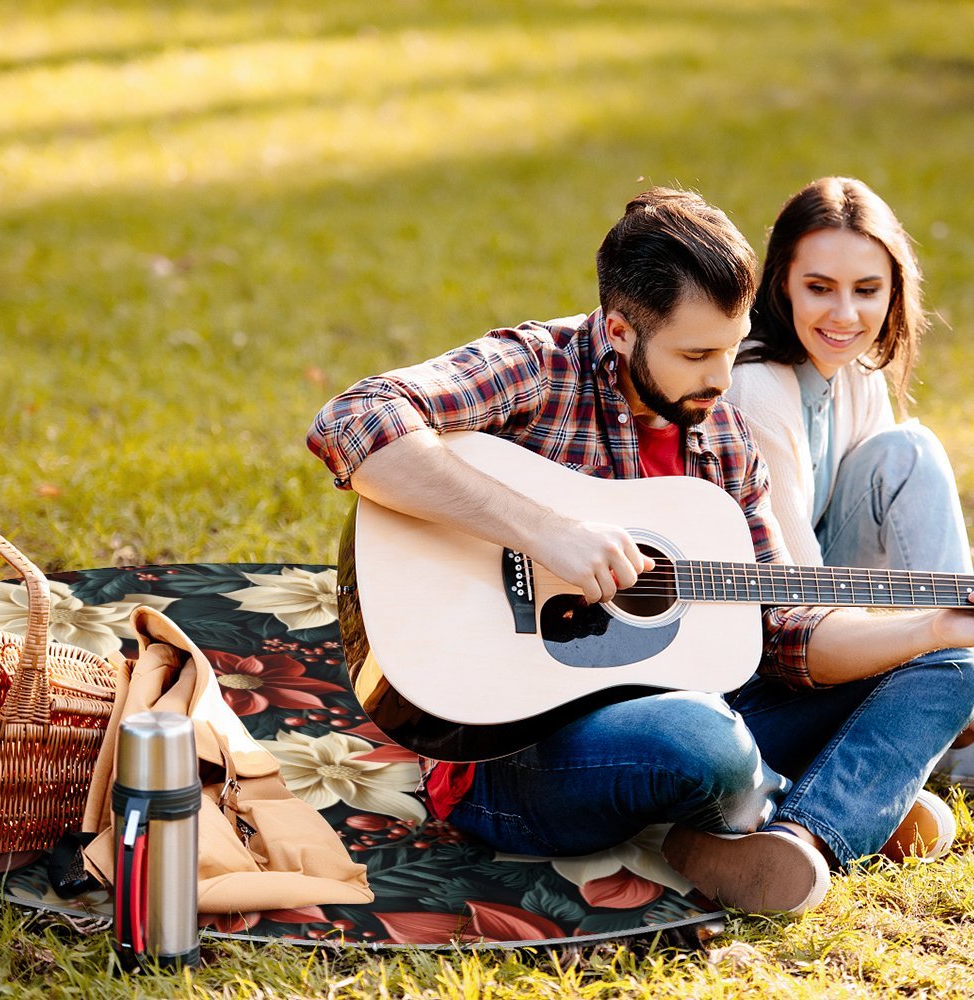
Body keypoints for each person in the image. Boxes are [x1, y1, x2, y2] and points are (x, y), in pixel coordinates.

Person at [307, 188, 974, 916]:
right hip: (514, 755)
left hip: (703, 707)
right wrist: (542, 530)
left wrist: (930, 628)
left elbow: (784, 629)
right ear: (620, 331)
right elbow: (354, 419)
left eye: (731, 346)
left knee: (954, 663)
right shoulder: (538, 367)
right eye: (696, 354)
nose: (722, 380)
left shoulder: (721, 435)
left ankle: (803, 836)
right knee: (702, 741)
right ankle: (826, 796)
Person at [727, 176, 974, 786]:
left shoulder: (855, 370)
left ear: (894, 291)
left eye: (867, 290)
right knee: (911, 451)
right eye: (819, 288)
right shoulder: (757, 385)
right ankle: (950, 724)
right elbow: (797, 604)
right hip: (768, 650)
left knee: (904, 451)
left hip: (833, 618)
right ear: (781, 281)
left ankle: (951, 696)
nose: (845, 315)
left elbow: (892, 549)